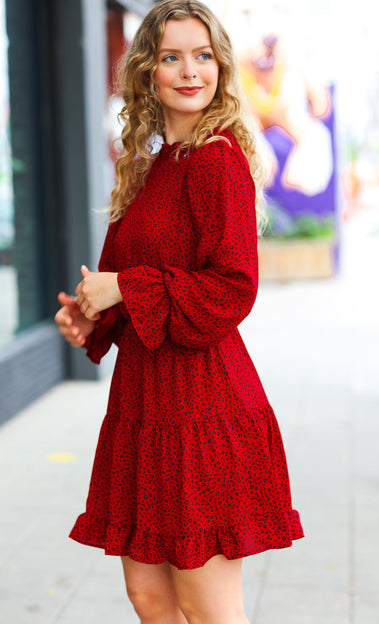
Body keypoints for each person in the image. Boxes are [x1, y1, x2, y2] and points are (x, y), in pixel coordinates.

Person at [54, 1, 303, 622]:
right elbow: (119, 286)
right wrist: (92, 317)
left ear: (220, 65)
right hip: (144, 407)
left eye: (202, 55)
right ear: (147, 71)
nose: (190, 71)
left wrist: (126, 288)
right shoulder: (145, 167)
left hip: (202, 408)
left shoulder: (218, 161)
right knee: (149, 597)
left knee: (207, 606)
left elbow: (231, 291)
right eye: (171, 57)